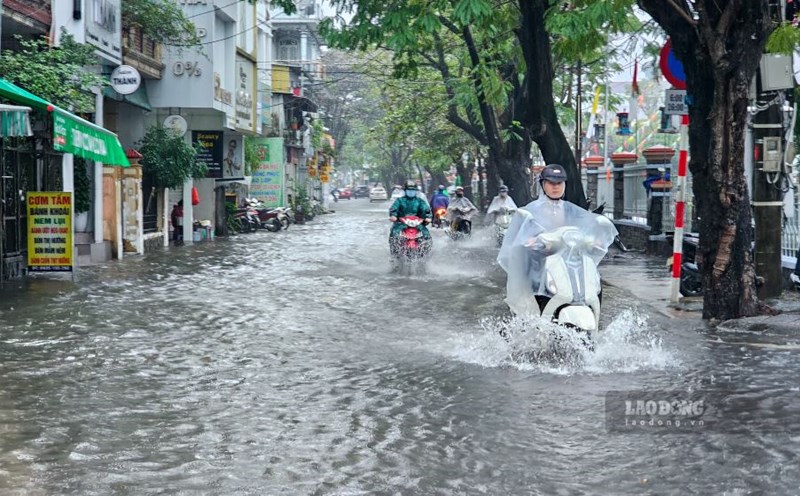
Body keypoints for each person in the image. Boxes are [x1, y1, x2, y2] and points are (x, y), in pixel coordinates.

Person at [497, 164, 618, 315]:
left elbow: (586, 224)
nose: (555, 187)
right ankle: (531, 318)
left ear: (564, 185)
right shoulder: (530, 210)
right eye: (551, 183)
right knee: (533, 283)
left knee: (594, 280)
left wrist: (594, 239)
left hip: (568, 259)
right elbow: (521, 234)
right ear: (543, 184)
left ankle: (595, 317)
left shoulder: (572, 210)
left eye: (559, 183)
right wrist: (530, 241)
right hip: (542, 261)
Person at [389, 180, 432, 255]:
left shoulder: (420, 201)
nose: (411, 192)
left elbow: (426, 210)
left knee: (426, 234)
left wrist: (428, 217)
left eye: (413, 190)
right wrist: (393, 215)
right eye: (409, 190)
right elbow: (394, 209)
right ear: (405, 191)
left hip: (417, 223)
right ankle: (395, 252)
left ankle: (425, 251)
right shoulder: (399, 201)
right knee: (395, 233)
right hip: (401, 224)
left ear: (416, 191)